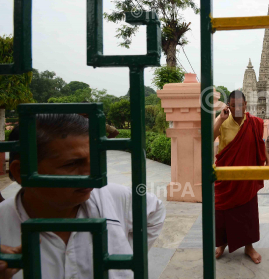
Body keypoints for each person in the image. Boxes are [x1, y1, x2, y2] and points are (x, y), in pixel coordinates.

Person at [0, 114, 166, 279]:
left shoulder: (113, 196)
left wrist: (128, 256)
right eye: (72, 164)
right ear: (21, 171)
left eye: (94, 160)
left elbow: (154, 210)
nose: (93, 175)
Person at [213, 90, 269, 264]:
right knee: (221, 211)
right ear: (228, 106)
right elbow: (208, 137)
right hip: (226, 176)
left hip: (246, 176)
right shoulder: (222, 121)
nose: (237, 108)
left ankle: (249, 247)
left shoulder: (254, 123)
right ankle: (222, 244)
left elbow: (261, 143)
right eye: (233, 105)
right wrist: (221, 119)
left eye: (240, 105)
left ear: (245, 105)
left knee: (248, 212)